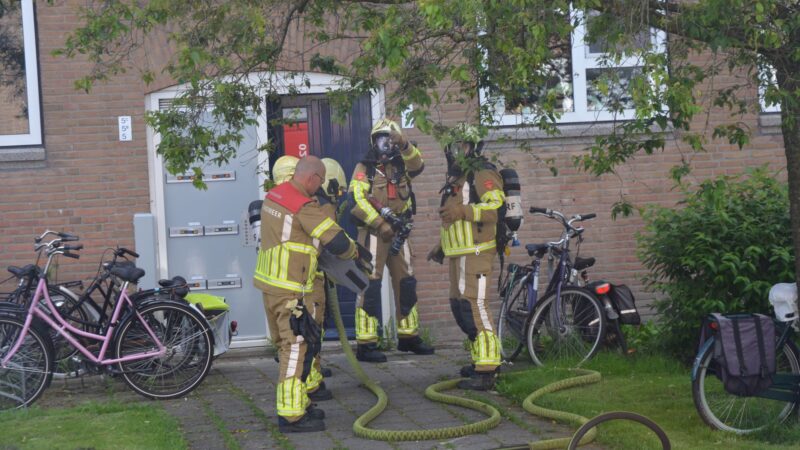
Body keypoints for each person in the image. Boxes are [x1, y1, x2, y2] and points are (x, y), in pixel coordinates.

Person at [254, 155, 358, 433]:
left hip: (270, 285)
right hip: (290, 289)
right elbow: (335, 240)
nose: (319, 187)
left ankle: (300, 402)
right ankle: (291, 415)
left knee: (289, 344)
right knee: (296, 347)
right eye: (319, 181)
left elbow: (293, 237)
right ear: (311, 177)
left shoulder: (274, 196)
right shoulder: (302, 205)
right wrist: (354, 252)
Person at [348, 118, 434, 362]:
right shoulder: (364, 167)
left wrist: (405, 143)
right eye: (381, 138)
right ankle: (366, 343)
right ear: (373, 141)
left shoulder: (403, 165)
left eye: (390, 138)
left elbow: (419, 164)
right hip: (374, 233)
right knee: (370, 284)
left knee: (406, 282)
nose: (386, 143)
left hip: (400, 230)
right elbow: (357, 199)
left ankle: (408, 336)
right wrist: (380, 223)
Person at [428, 124, 504, 391]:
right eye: (453, 147)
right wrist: (441, 246)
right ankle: (478, 359)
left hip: (477, 253)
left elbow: (495, 208)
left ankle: (488, 369)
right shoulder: (456, 179)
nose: (457, 152)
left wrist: (463, 211)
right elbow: (452, 217)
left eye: (463, 146)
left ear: (474, 147)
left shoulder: (483, 173)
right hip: (457, 255)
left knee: (476, 306)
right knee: (460, 309)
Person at [302, 157, 348, 399]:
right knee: (311, 331)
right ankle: (311, 384)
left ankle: (313, 377)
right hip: (312, 278)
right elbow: (331, 241)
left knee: (308, 330)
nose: (339, 195)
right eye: (338, 189)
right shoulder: (323, 205)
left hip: (302, 277)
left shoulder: (305, 201)